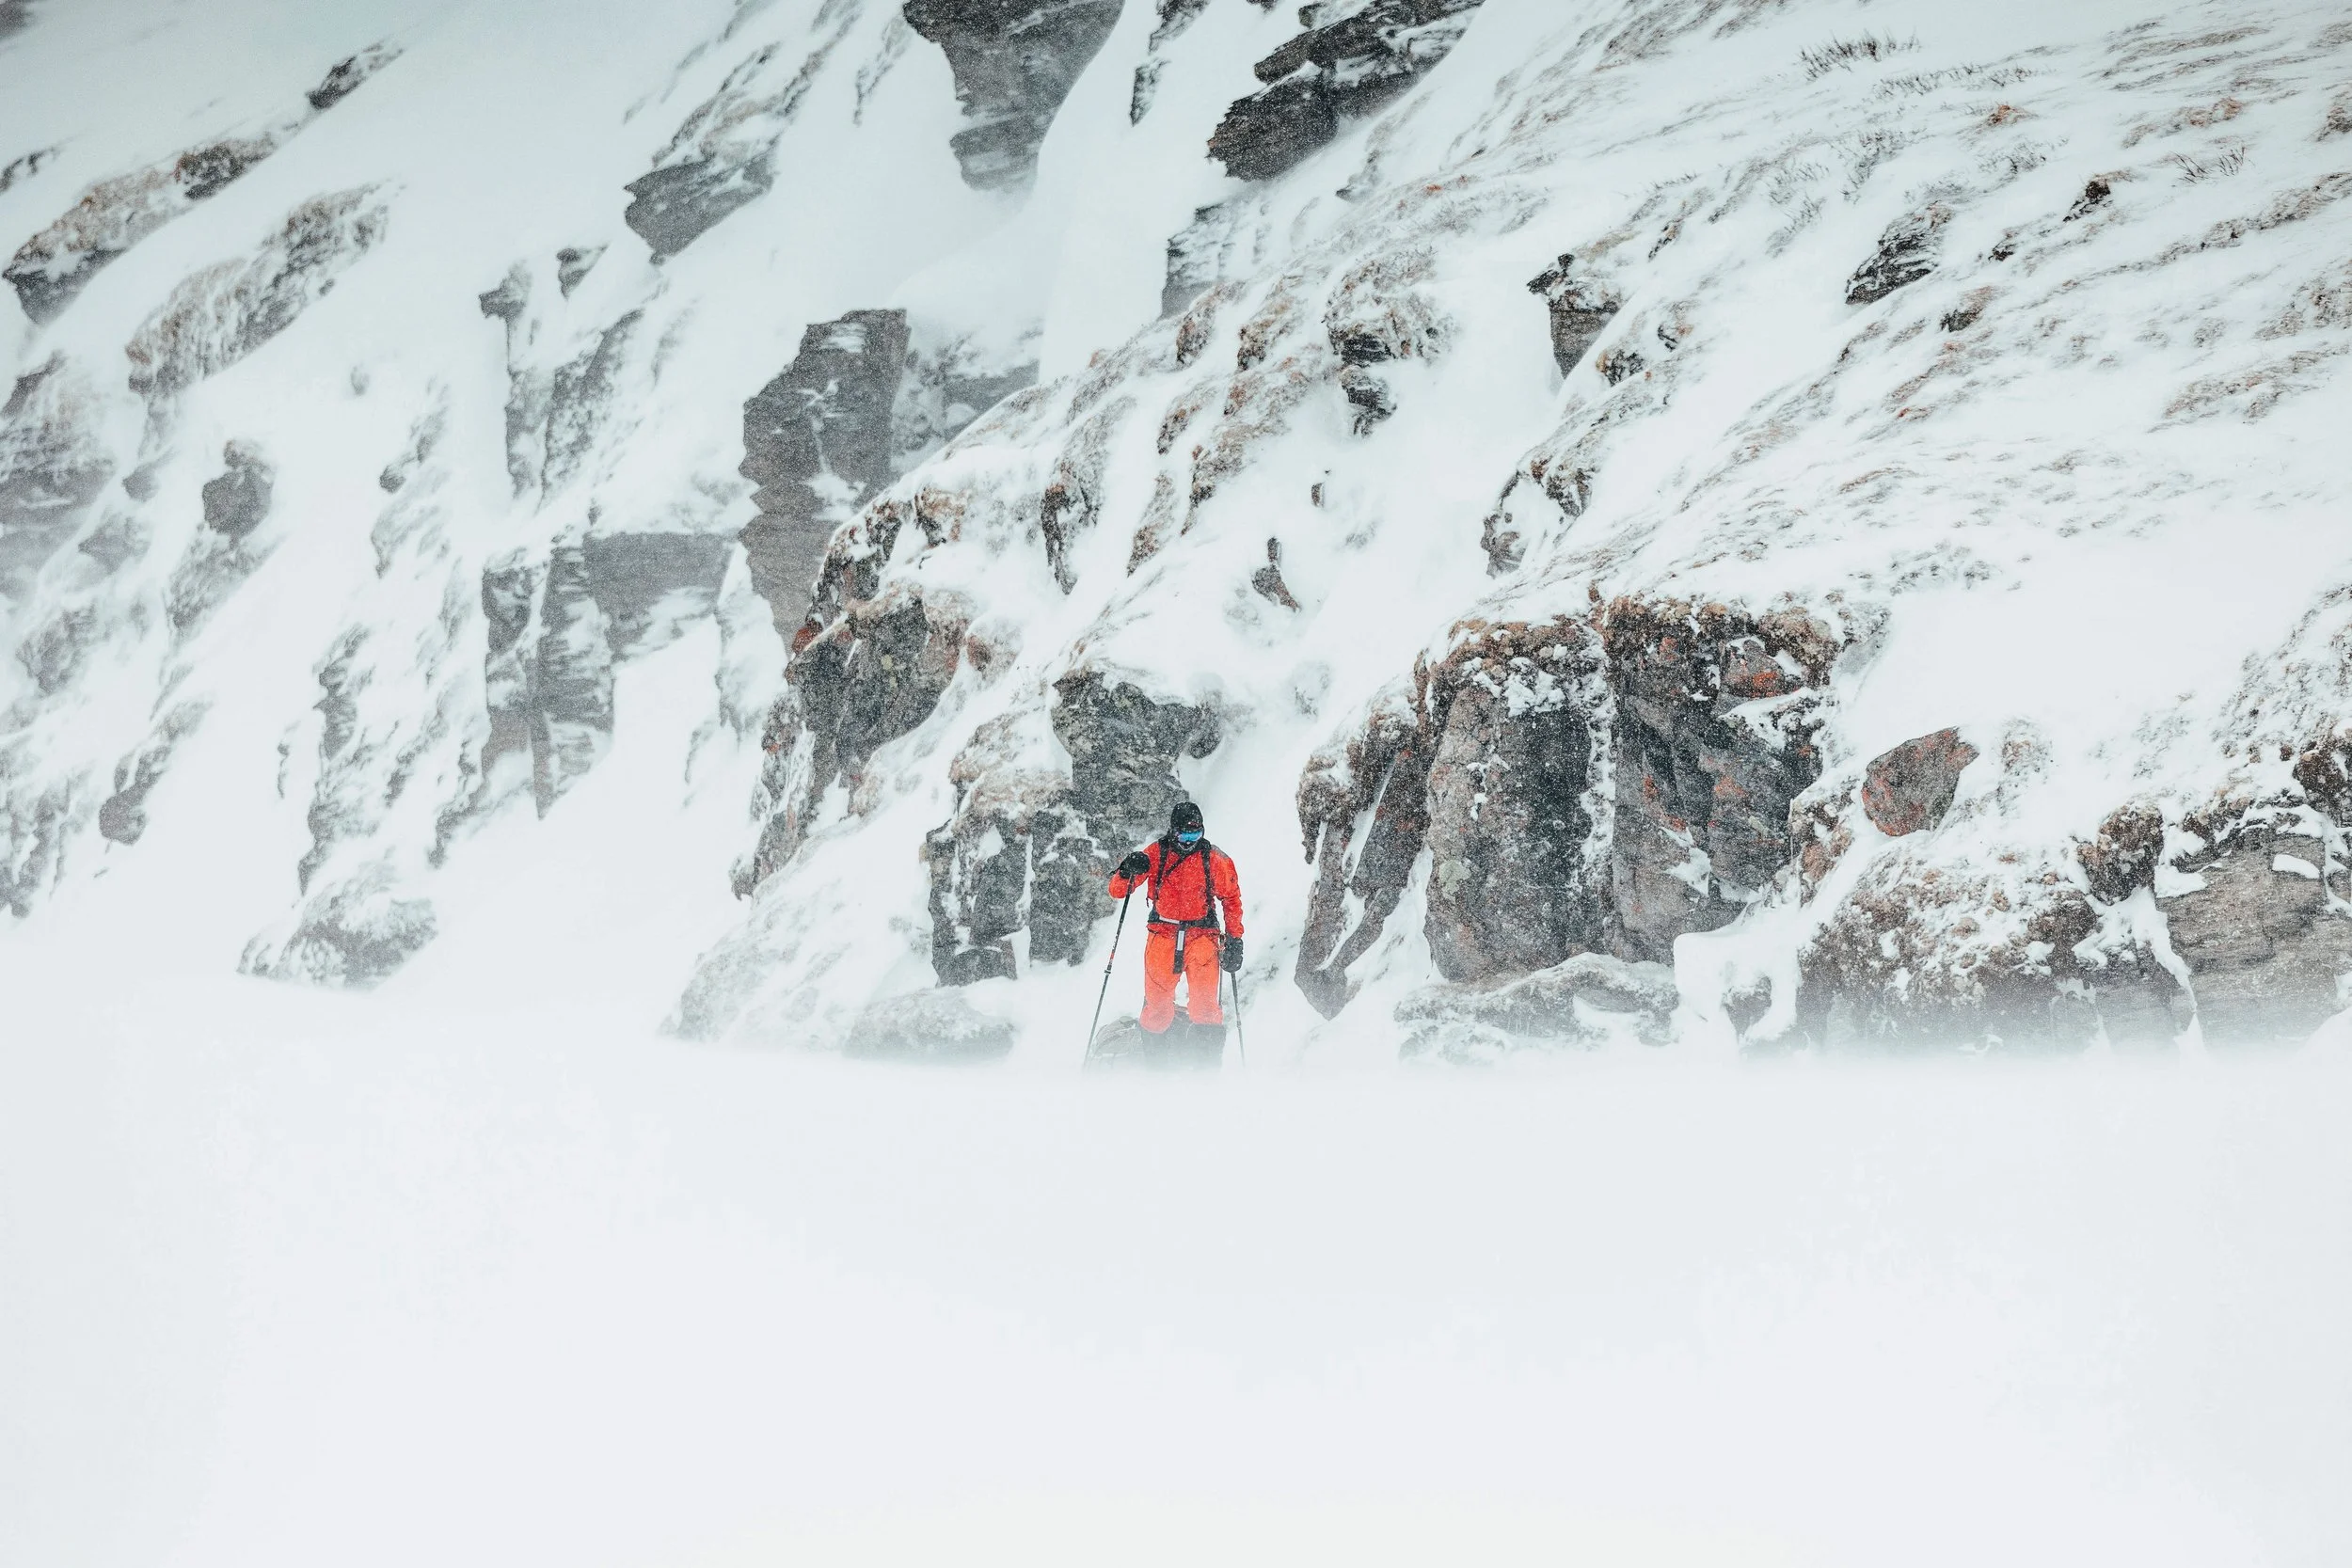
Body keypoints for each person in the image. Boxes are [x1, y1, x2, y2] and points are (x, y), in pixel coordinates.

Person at [1107, 801, 1245, 1065]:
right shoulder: (1156, 853)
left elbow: (1231, 899)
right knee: (1157, 1008)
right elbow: (1118, 891)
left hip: (1202, 934)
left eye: (1196, 835)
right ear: (1173, 831)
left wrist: (1235, 940)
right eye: (1184, 835)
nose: (1189, 841)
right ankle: (1157, 1072)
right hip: (1163, 933)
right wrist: (1126, 870)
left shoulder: (1214, 859)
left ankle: (1205, 1074)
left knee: (1206, 1008)